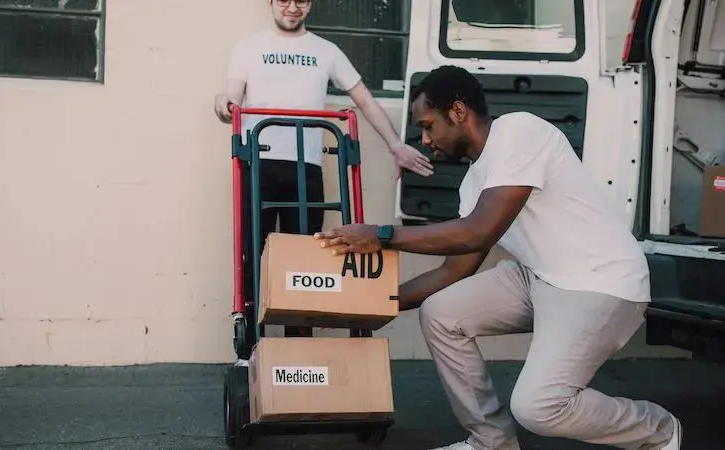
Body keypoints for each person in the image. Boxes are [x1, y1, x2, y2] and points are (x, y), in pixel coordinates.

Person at [313, 65, 682, 450]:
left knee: (538, 408)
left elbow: (480, 230)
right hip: (539, 276)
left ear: (457, 112)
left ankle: (658, 430)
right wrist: (366, 306)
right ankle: (492, 442)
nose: (424, 140)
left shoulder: (519, 132)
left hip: (600, 283)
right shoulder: (474, 183)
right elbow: (455, 269)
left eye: (428, 125)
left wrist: (384, 235)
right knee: (442, 313)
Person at [214, 0, 433, 337]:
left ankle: (299, 343)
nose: (292, 7)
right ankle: (251, 346)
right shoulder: (249, 46)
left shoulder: (325, 50)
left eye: (300, 0)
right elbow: (230, 95)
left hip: (305, 167)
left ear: (310, 4)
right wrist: (224, 104)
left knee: (303, 257)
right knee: (253, 254)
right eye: (284, 0)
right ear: (271, 3)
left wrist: (395, 145)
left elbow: (363, 99)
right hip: (258, 163)